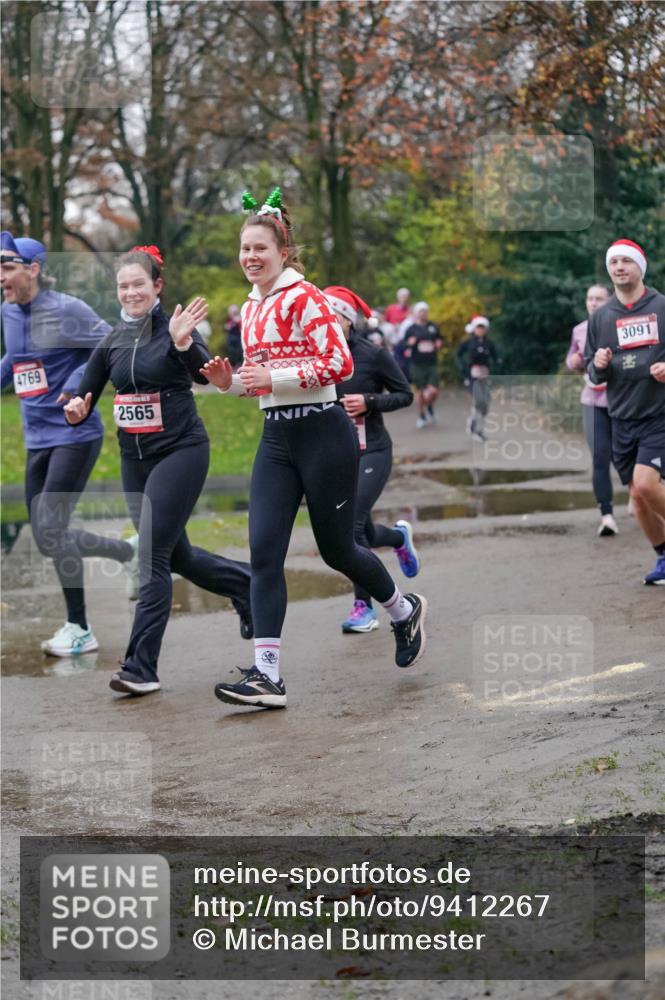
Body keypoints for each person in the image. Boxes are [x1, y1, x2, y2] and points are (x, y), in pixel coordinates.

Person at [202, 188, 428, 710]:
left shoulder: (308, 298)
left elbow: (339, 366)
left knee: (338, 550)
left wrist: (272, 376)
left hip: (324, 433)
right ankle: (267, 676)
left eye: (260, 248)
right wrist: (227, 383)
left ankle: (402, 608)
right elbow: (259, 383)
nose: (251, 258)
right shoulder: (250, 308)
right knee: (263, 552)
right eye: (244, 250)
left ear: (284, 252)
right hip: (277, 439)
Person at [63, 246, 253, 695]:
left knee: (151, 556)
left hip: (181, 452)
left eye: (138, 285)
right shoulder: (111, 340)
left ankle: (140, 667)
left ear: (157, 287)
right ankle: (245, 585)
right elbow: (84, 395)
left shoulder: (174, 330)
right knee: (176, 555)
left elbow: (205, 377)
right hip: (136, 462)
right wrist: (75, 408)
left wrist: (185, 343)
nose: (130, 293)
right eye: (123, 286)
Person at [0, 231, 139, 657]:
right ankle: (127, 552)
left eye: (7, 268)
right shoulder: (8, 311)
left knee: (52, 529)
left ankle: (79, 628)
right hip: (37, 437)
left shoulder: (66, 310)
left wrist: (81, 384)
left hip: (75, 433)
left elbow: (109, 343)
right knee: (44, 537)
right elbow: (17, 361)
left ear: (34, 269)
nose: (1, 278)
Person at [323, 285, 419, 634]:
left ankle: (363, 606)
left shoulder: (373, 354)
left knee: (350, 529)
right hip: (336, 456)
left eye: (333, 317)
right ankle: (397, 539)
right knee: (360, 529)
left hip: (373, 451)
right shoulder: (315, 354)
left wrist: (369, 402)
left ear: (348, 321)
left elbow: (405, 394)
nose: (325, 323)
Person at [585, 238, 665, 585]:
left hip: (659, 414)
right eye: (613, 261)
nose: (619, 267)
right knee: (636, 496)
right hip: (621, 418)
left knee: (647, 486)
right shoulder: (601, 317)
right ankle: (663, 557)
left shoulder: (661, 307)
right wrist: (599, 365)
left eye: (626, 261)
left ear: (640, 267)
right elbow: (591, 370)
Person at [565, 284, 617, 536]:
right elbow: (572, 358)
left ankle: (638, 498)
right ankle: (606, 515)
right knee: (599, 456)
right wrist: (574, 362)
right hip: (592, 400)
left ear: (610, 301)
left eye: (599, 298)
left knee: (624, 456)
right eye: (590, 298)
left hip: (621, 401)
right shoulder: (579, 330)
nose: (594, 303)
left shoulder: (620, 327)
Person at [456, 315, 500, 442]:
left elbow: (496, 356)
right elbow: (458, 355)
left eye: (483, 328)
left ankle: (478, 427)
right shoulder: (468, 343)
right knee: (478, 400)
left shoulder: (489, 343)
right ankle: (474, 426)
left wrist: (498, 362)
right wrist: (462, 369)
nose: (480, 330)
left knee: (485, 403)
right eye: (478, 328)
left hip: (485, 375)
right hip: (472, 376)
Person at [403, 302, 443, 428]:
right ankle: (422, 416)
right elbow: (404, 345)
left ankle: (430, 406)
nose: (423, 314)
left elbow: (440, 339)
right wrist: (409, 343)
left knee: (434, 391)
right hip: (417, 364)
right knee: (420, 393)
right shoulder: (411, 329)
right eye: (420, 311)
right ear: (416, 313)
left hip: (431, 364)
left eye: (425, 311)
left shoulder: (433, 327)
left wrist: (438, 343)